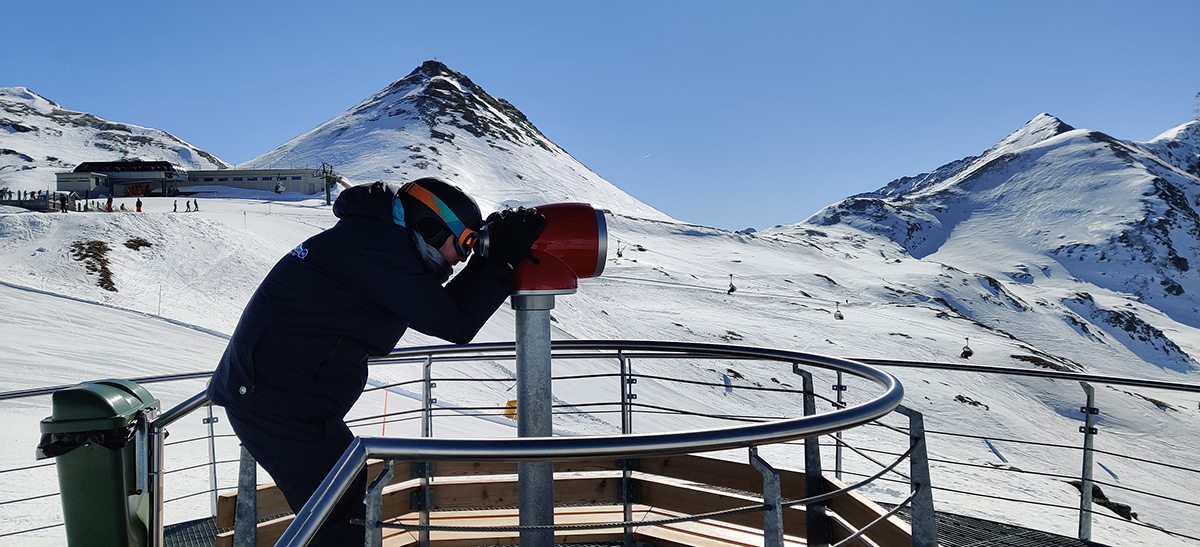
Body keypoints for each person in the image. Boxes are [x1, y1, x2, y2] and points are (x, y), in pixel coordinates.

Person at [206, 179, 544, 545]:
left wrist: (490, 258)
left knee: (339, 507)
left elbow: (444, 307)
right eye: (463, 244)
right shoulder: (377, 249)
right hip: (275, 402)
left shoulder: (374, 238)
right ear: (430, 228)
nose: (461, 257)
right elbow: (455, 322)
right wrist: (501, 259)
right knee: (336, 521)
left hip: (281, 397)